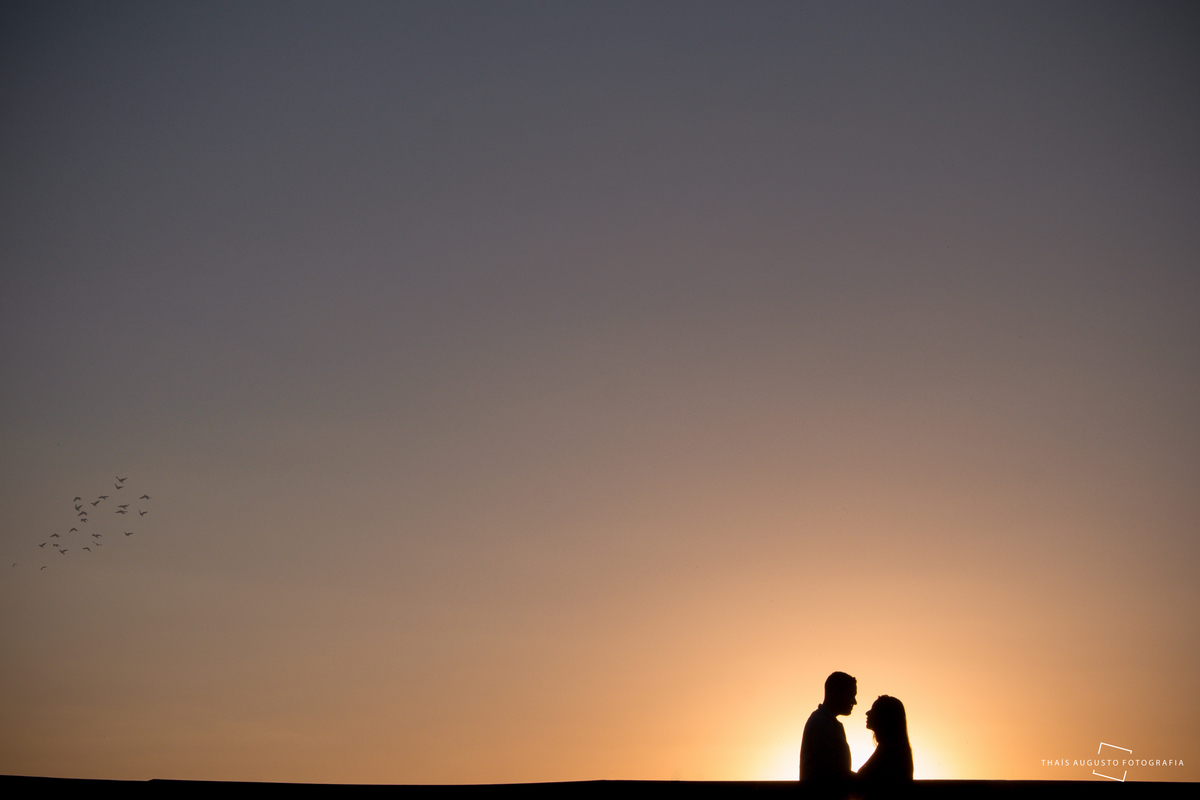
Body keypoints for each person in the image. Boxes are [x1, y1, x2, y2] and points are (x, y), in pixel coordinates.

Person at [800, 671, 857, 798]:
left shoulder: (826, 722)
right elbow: (830, 772)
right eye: (851, 695)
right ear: (835, 692)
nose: (854, 701)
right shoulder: (822, 723)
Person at [856, 695, 914, 798]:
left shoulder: (888, 752)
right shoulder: (891, 749)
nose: (867, 713)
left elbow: (862, 778)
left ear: (884, 717)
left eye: (873, 710)